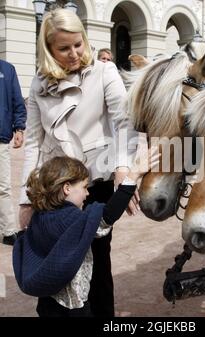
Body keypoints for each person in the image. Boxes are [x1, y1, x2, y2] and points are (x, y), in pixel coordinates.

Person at [18, 8, 139, 317]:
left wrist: (122, 169)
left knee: (98, 262)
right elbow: (33, 143)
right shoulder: (38, 82)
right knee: (55, 260)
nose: (74, 53)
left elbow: (124, 123)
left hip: (93, 185)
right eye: (64, 48)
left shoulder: (104, 72)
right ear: (49, 49)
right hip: (54, 189)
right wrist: (26, 199)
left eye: (78, 44)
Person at [13, 151, 158, 317]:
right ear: (67, 188)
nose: (88, 193)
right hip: (73, 310)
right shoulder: (70, 220)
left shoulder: (40, 216)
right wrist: (132, 176)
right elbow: (107, 216)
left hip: (46, 304)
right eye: (84, 187)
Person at [0, 59, 27, 245]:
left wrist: (19, 128)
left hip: (0, 136)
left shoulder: (7, 69)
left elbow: (17, 100)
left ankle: (8, 230)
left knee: (3, 186)